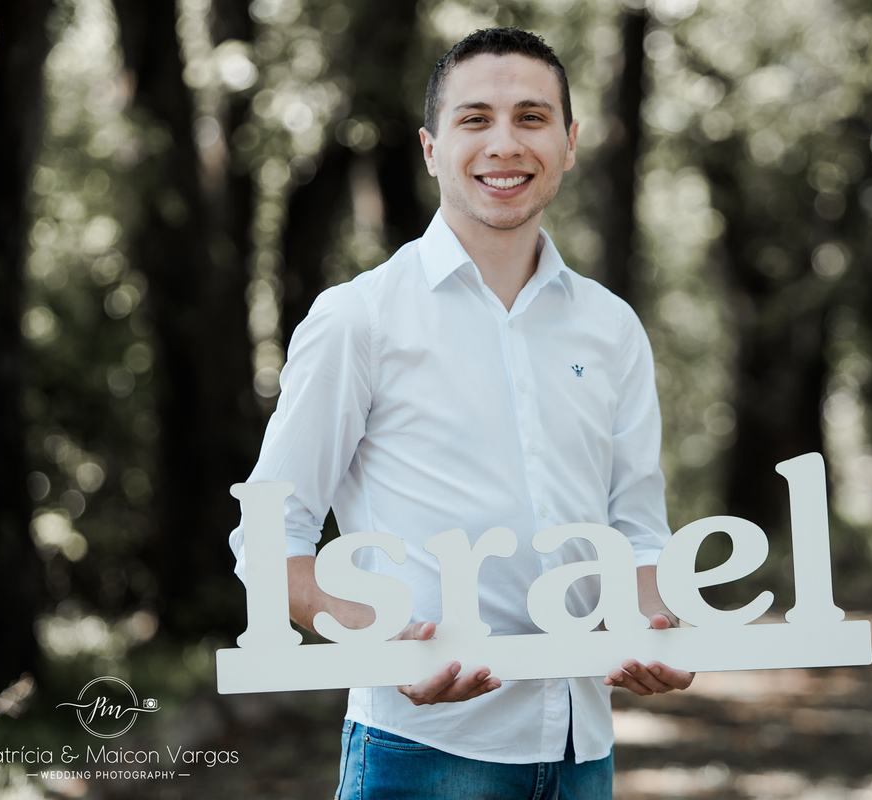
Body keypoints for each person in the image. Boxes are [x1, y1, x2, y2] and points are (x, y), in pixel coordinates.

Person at [229, 27, 692, 799]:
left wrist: (653, 629)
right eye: (475, 119)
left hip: (583, 750)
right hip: (420, 754)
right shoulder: (359, 320)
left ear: (570, 144)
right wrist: (385, 646)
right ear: (431, 148)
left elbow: (638, 534)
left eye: (532, 118)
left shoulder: (612, 328)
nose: (504, 143)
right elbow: (267, 540)